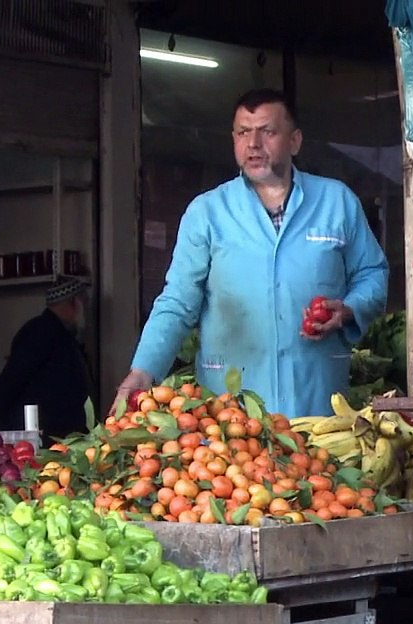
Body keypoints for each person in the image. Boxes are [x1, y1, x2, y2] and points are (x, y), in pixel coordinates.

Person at [116, 88, 389, 418]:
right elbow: (177, 303)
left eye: (268, 131)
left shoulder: (336, 202)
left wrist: (348, 309)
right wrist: (143, 371)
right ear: (233, 140)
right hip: (232, 418)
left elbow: (373, 274)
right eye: (244, 132)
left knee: (317, 468)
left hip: (318, 408)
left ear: (295, 141)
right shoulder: (207, 213)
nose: (254, 144)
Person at [0, 277, 94, 439]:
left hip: (59, 433)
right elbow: (14, 377)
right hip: (44, 433)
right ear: (73, 303)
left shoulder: (62, 335)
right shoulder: (40, 333)